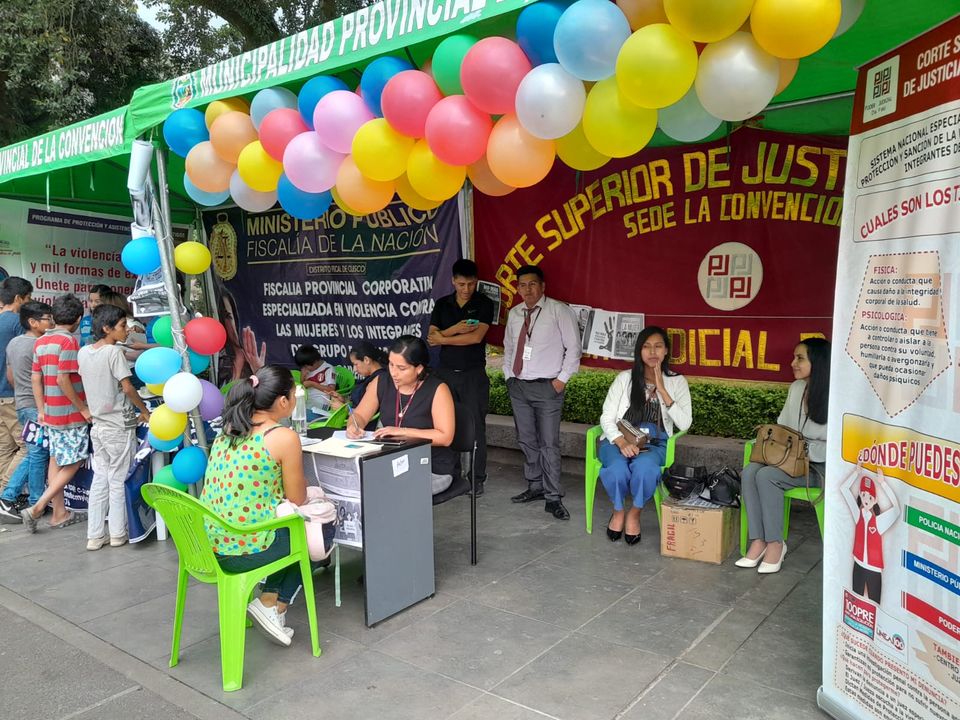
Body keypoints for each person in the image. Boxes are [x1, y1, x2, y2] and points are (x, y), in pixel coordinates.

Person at [199, 366, 320, 647]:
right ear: (283, 402)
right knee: (313, 531)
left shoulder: (228, 429)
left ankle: (269, 601)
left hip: (208, 546)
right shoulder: (282, 437)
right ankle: (274, 605)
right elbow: (297, 498)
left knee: (291, 529)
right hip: (242, 550)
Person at [736, 337, 831, 574]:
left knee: (767, 476)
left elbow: (837, 446)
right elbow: (783, 427)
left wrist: (804, 449)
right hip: (790, 461)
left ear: (817, 363)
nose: (793, 363)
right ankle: (758, 540)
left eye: (800, 358)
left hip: (820, 467)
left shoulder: (836, 395)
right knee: (750, 471)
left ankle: (776, 544)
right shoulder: (797, 388)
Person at [598, 327, 692, 544]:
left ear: (666, 350)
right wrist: (621, 442)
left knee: (645, 469)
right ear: (639, 351)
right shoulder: (624, 379)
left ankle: (635, 512)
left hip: (655, 442)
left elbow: (685, 423)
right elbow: (607, 417)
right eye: (646, 346)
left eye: (658, 346)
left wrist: (662, 389)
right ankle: (619, 510)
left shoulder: (677, 382)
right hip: (619, 438)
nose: (652, 352)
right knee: (616, 469)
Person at [502, 265, 581, 520]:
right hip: (519, 386)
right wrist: (509, 377)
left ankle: (553, 496)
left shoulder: (559, 311)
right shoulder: (515, 314)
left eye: (532, 284)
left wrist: (561, 381)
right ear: (517, 288)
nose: (528, 289)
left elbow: (574, 349)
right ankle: (535, 486)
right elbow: (508, 348)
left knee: (549, 443)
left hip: (548, 387)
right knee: (526, 439)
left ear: (543, 286)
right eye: (522, 285)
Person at [78, 304, 151, 549]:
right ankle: (118, 532)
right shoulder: (113, 353)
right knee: (119, 480)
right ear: (107, 328)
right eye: (122, 326)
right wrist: (143, 411)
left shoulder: (85, 352)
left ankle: (95, 534)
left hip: (98, 426)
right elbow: (128, 387)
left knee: (101, 479)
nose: (127, 329)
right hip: (119, 425)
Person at [346, 336, 456, 495]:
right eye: (391, 364)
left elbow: (445, 437)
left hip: (431, 467)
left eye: (401, 368)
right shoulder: (382, 381)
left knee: (389, 491)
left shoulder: (438, 389)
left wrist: (403, 431)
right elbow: (360, 415)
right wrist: (353, 426)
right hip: (391, 462)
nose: (394, 373)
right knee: (357, 483)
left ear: (418, 368)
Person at [20, 294, 90, 531]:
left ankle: (59, 513)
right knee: (75, 459)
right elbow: (63, 379)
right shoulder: (69, 342)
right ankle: (37, 507)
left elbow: (35, 378)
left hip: (50, 412)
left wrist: (41, 410)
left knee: (56, 459)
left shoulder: (40, 342)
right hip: (70, 413)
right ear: (78, 318)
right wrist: (83, 408)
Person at [427, 259, 495, 497]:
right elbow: (430, 336)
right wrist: (455, 328)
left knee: (476, 427)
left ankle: (477, 479)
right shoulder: (443, 304)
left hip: (472, 375)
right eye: (462, 284)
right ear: (453, 281)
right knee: (446, 427)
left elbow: (475, 338)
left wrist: (443, 338)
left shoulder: (484, 303)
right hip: (445, 374)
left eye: (471, 284)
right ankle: (451, 475)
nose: (467, 289)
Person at [0, 302, 54, 522]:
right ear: (33, 322)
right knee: (37, 453)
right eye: (47, 319)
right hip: (37, 406)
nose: (51, 322)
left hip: (21, 402)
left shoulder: (13, 343)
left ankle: (34, 501)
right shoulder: (40, 345)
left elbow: (11, 377)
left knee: (35, 452)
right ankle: (12, 497)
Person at [841, 464, 898, 603]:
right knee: (855, 603)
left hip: (874, 569)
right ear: (860, 494)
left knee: (875, 606)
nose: (866, 499)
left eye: (870, 496)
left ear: (875, 500)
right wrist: (856, 472)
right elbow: (844, 489)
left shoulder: (879, 522)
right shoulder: (857, 514)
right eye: (864, 494)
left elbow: (897, 510)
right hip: (858, 565)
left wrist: (883, 483)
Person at [0, 277, 33, 491]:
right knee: (28, 447)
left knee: (4, 447)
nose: (28, 303)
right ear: (18, 298)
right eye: (28, 299)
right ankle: (6, 492)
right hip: (13, 394)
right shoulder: (16, 323)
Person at [347, 342, 388, 425]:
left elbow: (367, 412)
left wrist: (345, 409)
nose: (354, 369)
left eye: (356, 364)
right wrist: (343, 400)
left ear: (366, 360)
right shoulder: (371, 377)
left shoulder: (378, 381)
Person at [293, 344, 340, 414]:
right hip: (307, 400)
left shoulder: (328, 369)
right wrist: (302, 377)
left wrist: (313, 384)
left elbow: (331, 389)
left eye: (306, 366)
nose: (304, 368)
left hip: (321, 403)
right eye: (303, 366)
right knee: (292, 409)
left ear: (315, 362)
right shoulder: (306, 369)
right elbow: (303, 386)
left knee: (299, 413)